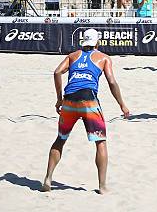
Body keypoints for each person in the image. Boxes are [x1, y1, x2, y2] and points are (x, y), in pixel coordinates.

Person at [42, 29, 130, 194]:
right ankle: (102, 186)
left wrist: (59, 99)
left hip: (69, 101)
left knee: (60, 139)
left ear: (83, 42)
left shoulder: (73, 55)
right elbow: (112, 82)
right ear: (97, 43)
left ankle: (48, 178)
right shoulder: (104, 58)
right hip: (88, 101)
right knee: (100, 142)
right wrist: (122, 105)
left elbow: (56, 72)